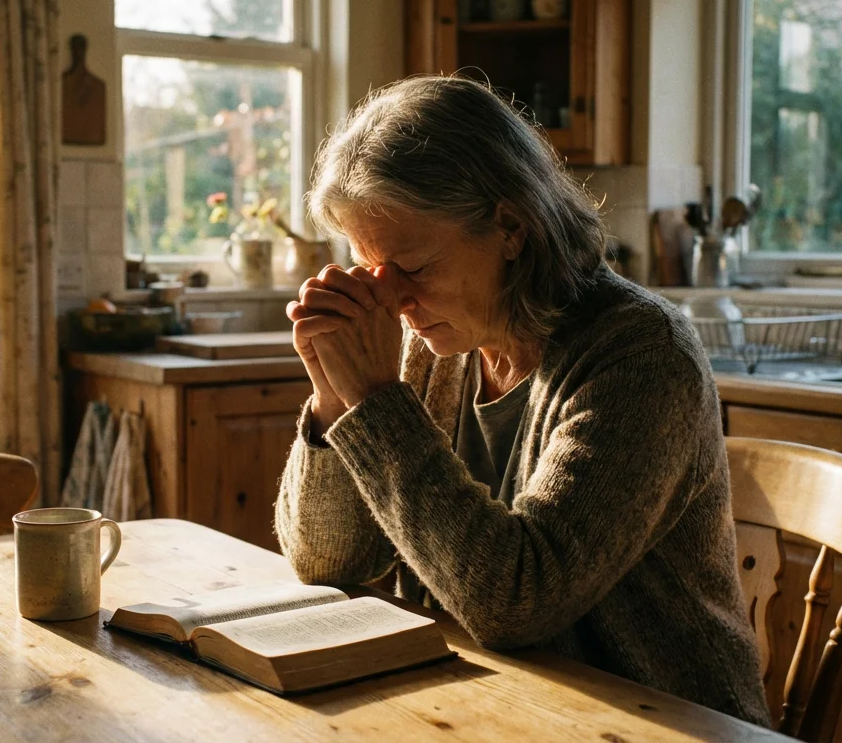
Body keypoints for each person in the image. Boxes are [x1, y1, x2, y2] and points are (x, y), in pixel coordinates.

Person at [275, 75, 771, 726]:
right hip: (491, 707)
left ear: (511, 227)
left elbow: (515, 601)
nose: (395, 301)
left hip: (660, 721)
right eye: (374, 273)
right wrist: (334, 397)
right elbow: (325, 559)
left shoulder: (641, 355)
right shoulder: (434, 343)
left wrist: (376, 404)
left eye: (414, 268)